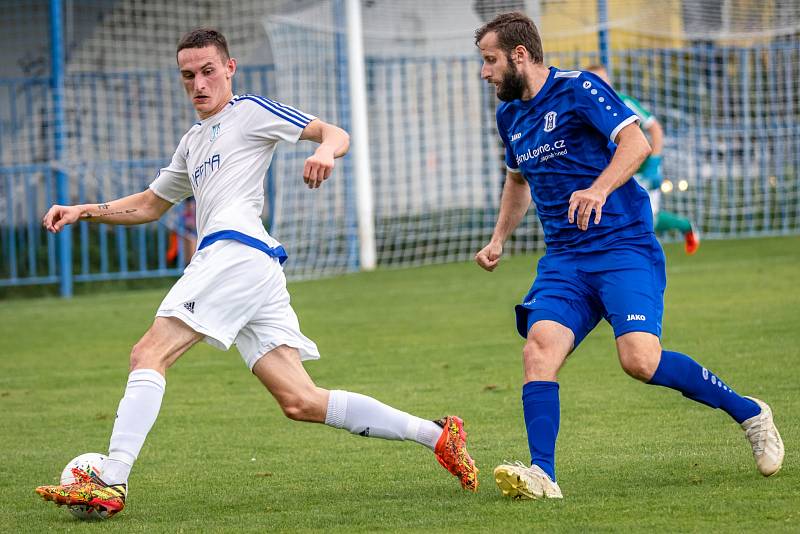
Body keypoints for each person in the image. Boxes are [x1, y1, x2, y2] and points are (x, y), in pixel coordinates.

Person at [34, 28, 477, 517]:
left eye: (208, 71)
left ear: (229, 68)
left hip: (234, 253)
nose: (199, 84)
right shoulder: (192, 142)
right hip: (250, 267)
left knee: (148, 352)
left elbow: (334, 132)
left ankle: (110, 478)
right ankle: (437, 435)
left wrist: (325, 151)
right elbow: (149, 204)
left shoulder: (250, 112)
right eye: (188, 75)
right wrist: (84, 209)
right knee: (301, 400)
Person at [473, 12, 783, 501]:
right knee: (538, 350)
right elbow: (516, 181)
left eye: (489, 61)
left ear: (519, 55)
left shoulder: (580, 89)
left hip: (623, 248)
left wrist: (597, 190)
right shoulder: (509, 115)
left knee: (639, 360)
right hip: (565, 261)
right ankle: (543, 473)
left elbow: (636, 142)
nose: (484, 72)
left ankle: (750, 413)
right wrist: (499, 239)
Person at [586, 64, 700, 255]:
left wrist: (654, 162)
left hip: (641, 167)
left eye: (602, 80)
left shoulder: (623, 102)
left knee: (648, 218)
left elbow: (655, 129)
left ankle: (686, 227)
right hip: (612, 172)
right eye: (594, 82)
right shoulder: (586, 110)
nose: (599, 86)